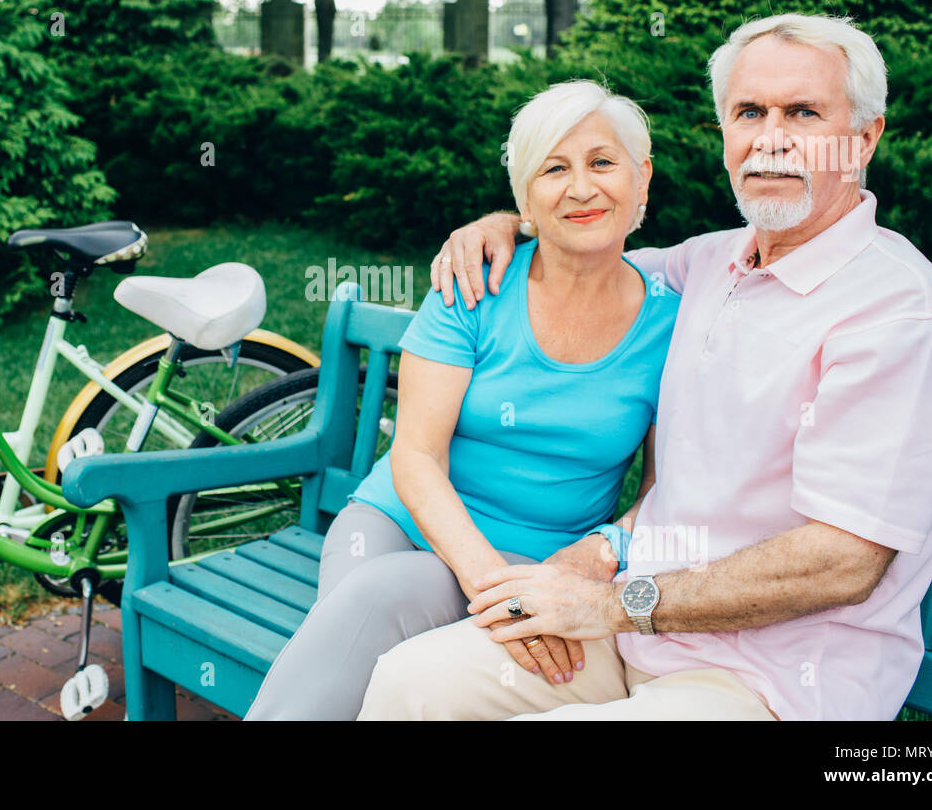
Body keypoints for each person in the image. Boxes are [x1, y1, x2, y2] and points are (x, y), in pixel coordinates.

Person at [357, 12, 932, 721]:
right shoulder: (712, 261)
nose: (770, 138)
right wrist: (508, 223)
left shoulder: (903, 313)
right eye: (749, 112)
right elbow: (587, 246)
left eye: (803, 113)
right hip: (637, 636)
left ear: (865, 136)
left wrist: (614, 602)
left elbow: (841, 561)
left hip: (771, 679)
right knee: (408, 684)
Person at [243, 80, 681, 719]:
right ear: (524, 198)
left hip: (538, 559)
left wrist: (603, 549)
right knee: (372, 619)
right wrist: (492, 589)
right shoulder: (474, 287)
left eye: (602, 162)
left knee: (390, 661)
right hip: (398, 525)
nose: (581, 188)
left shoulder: (673, 326)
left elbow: (664, 489)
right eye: (553, 169)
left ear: (642, 177)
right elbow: (415, 457)